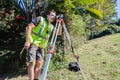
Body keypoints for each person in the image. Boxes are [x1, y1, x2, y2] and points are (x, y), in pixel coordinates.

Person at [24, 10, 56, 80]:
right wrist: (27, 41)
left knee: (40, 64)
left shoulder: (51, 26)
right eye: (52, 15)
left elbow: (58, 33)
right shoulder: (40, 19)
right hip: (33, 43)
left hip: (41, 47)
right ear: (47, 15)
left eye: (54, 16)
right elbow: (29, 27)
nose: (53, 17)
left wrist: (61, 24)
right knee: (32, 63)